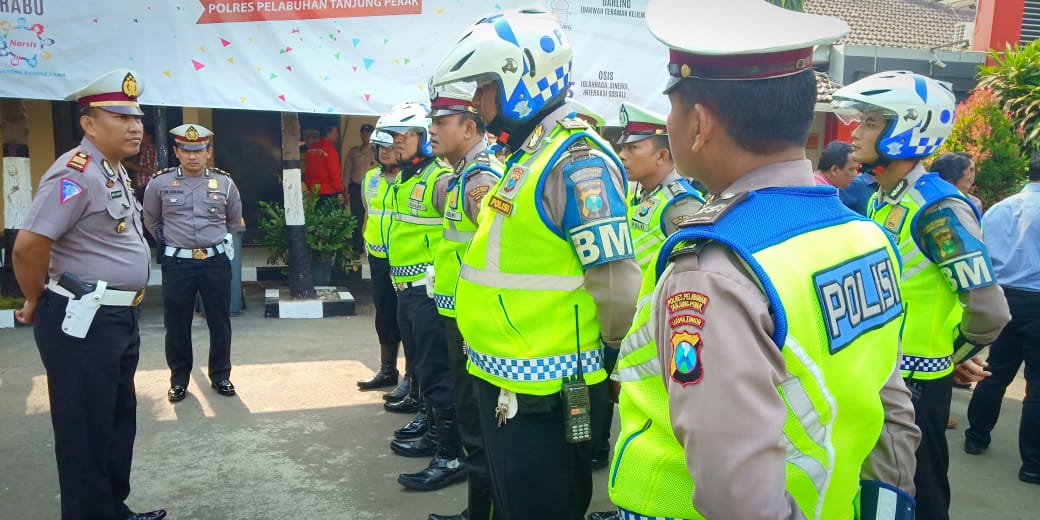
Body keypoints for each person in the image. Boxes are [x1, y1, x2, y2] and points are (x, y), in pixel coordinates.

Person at [640, 2, 921, 518]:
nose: (667, 123)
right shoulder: (866, 236)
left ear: (699, 122)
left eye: (672, 107)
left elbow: (736, 496)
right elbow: (893, 408)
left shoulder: (713, 271)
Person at [432, 9, 641, 519]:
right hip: (504, 374)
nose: (479, 105)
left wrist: (606, 361)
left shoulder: (576, 160)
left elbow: (614, 278)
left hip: (548, 387)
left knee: (544, 505)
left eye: (484, 88)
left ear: (517, 79)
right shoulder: (532, 154)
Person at [833, 70, 1011, 520]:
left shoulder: (938, 210)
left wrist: (949, 358)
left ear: (908, 127)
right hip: (881, 371)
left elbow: (989, 310)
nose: (856, 131)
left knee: (919, 491)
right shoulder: (884, 197)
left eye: (871, 121)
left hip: (915, 381)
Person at [11, 68, 166, 520]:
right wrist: (36, 299)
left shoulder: (111, 170)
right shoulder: (74, 173)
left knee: (115, 424)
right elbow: (28, 246)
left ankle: (112, 510)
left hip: (116, 319)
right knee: (84, 433)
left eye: (137, 117)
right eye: (120, 116)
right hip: (82, 320)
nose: (135, 126)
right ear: (89, 123)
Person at [590, 100, 704, 520]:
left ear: (662, 154)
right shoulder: (642, 195)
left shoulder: (681, 206)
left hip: (659, 339)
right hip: (629, 330)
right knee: (629, 423)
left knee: (653, 428)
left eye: (633, 147)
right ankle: (624, 500)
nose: (622, 154)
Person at [377, 101, 466, 491]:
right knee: (422, 369)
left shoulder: (440, 180)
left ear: (421, 140)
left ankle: (450, 455)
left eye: (402, 136)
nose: (393, 145)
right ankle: (433, 434)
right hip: (404, 291)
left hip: (428, 294)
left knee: (437, 373)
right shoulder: (405, 179)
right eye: (391, 137)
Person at [426, 81, 503, 520]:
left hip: (474, 319)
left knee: (478, 421)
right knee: (471, 415)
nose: (432, 130)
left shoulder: (481, 179)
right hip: (458, 311)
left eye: (441, 122)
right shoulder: (461, 175)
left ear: (469, 127)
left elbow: (498, 253)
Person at [143, 124, 243, 402]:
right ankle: (178, 379)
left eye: (199, 150)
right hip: (178, 264)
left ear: (208, 152)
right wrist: (169, 243)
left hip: (215, 262)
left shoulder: (225, 183)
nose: (193, 156)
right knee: (177, 323)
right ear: (176, 152)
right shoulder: (160, 183)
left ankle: (221, 375)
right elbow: (150, 219)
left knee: (219, 321)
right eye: (186, 150)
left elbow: (234, 220)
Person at [964, 150, 1040, 485]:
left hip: (1003, 295)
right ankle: (1032, 465)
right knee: (1036, 387)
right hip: (1037, 299)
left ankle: (976, 438)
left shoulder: (999, 209)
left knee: (995, 372)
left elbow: (982, 251)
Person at [356, 128, 403, 392]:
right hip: (378, 257)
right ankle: (387, 369)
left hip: (406, 258)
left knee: (408, 317)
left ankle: (412, 377)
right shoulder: (370, 178)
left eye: (390, 146)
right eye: (380, 147)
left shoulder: (409, 179)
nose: (384, 151)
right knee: (384, 313)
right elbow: (368, 212)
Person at [344, 123, 377, 258]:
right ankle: (357, 248)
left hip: (373, 190)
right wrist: (345, 190)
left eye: (369, 133)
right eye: (364, 133)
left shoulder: (378, 152)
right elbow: (347, 172)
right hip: (356, 189)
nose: (366, 136)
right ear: (360, 135)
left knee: (372, 218)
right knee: (357, 219)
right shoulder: (354, 152)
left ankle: (371, 246)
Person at [304, 123, 344, 206]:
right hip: (329, 192)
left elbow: (307, 171)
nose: (337, 135)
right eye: (336, 133)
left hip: (314, 191)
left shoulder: (311, 149)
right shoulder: (330, 150)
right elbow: (334, 173)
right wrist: (340, 191)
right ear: (329, 133)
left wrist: (309, 187)